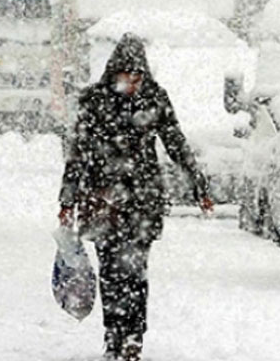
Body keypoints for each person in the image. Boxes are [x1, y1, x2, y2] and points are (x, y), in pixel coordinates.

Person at [58, 33, 213, 361]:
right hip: (102, 200)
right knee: (111, 272)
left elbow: (175, 142)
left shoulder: (154, 98)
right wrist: (67, 200)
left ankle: (133, 336)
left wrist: (199, 185)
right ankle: (113, 333)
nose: (132, 82)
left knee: (135, 271)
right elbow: (78, 154)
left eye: (138, 75)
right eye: (127, 75)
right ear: (114, 71)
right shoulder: (95, 100)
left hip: (142, 200)